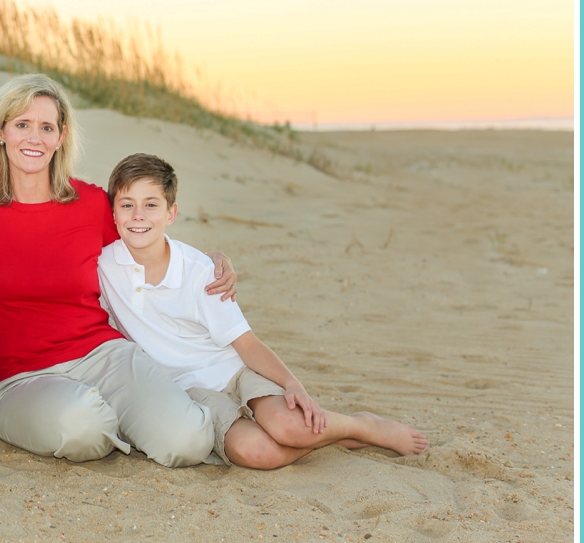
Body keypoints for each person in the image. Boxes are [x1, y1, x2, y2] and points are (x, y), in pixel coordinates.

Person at [0, 74, 233, 466]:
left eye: (46, 127)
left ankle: (153, 411)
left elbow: (148, 243)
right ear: (2, 132)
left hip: (104, 355)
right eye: (22, 125)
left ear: (61, 136)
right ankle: (115, 419)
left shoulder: (90, 204)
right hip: (20, 378)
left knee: (187, 442)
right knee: (83, 432)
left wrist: (212, 259)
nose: (34, 138)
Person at [98, 153, 430, 468]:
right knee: (256, 452)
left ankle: (362, 426)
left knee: (289, 427)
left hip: (233, 370)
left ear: (171, 213)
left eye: (151, 205)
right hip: (187, 391)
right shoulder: (104, 264)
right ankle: (335, 438)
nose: (138, 216)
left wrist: (294, 386)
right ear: (113, 213)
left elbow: (248, 345)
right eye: (127, 205)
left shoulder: (201, 272)